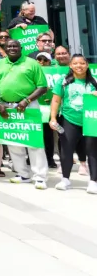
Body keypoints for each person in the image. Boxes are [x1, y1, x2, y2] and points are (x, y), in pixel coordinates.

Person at [0, 39, 49, 189]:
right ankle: (23, 174)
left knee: (34, 142)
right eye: (9, 46)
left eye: (15, 46)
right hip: (7, 106)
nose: (12, 48)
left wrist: (26, 101)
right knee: (14, 142)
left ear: (20, 48)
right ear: (5, 48)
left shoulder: (32, 63)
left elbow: (42, 86)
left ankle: (40, 177)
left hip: (28, 106)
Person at [49, 54, 97, 193]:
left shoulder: (94, 82)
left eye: (82, 63)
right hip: (69, 119)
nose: (79, 66)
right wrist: (53, 118)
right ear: (70, 65)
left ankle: (93, 181)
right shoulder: (63, 81)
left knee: (93, 151)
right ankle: (65, 179)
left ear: (87, 65)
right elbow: (56, 100)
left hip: (90, 120)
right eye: (75, 63)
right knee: (66, 150)